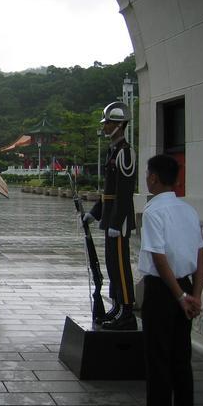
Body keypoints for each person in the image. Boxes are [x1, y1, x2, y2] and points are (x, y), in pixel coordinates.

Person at [139, 154, 203, 406]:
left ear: (154, 178)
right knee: (181, 359)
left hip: (162, 291)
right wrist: (195, 295)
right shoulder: (188, 211)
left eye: (147, 174)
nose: (147, 178)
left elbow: (159, 258)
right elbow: (200, 255)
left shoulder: (153, 211)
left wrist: (179, 297)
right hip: (187, 287)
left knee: (158, 360)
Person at [83, 101, 137, 330]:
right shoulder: (113, 150)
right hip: (110, 218)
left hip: (119, 221)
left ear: (119, 125)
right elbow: (108, 191)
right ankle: (116, 305)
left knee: (121, 266)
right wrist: (94, 213)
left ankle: (127, 311)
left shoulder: (126, 152)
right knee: (112, 264)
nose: (104, 127)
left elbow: (124, 192)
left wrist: (116, 221)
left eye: (108, 123)